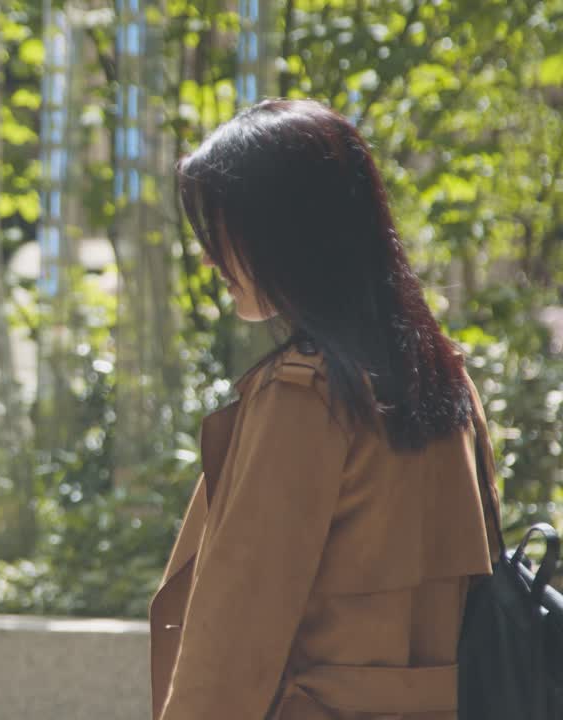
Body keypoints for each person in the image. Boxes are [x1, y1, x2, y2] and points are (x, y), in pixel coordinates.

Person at [150, 99, 498, 719]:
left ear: (287, 232)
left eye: (223, 231)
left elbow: (234, 641)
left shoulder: (303, 396)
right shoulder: (442, 378)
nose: (209, 258)